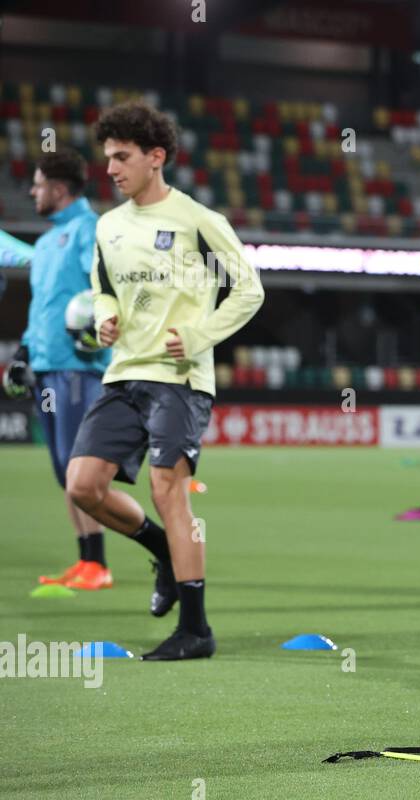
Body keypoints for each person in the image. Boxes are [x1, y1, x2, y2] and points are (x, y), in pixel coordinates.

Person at [64, 101, 265, 660]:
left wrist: (201, 333)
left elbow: (249, 289)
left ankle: (196, 630)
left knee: (166, 489)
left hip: (179, 379)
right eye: (107, 158)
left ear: (157, 157)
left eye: (122, 157)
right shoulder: (108, 226)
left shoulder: (198, 221)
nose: (110, 169)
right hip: (123, 372)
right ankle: (160, 550)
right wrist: (106, 314)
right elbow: (103, 285)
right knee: (82, 486)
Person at [5, 150, 113, 590]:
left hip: (80, 369)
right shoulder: (48, 243)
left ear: (59, 188)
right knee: (62, 471)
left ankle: (101, 563)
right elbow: (42, 309)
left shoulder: (92, 231)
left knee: (78, 470)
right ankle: (86, 559)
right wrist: (24, 355)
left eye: (37, 184)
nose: (32, 191)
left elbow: (108, 285)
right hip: (48, 369)